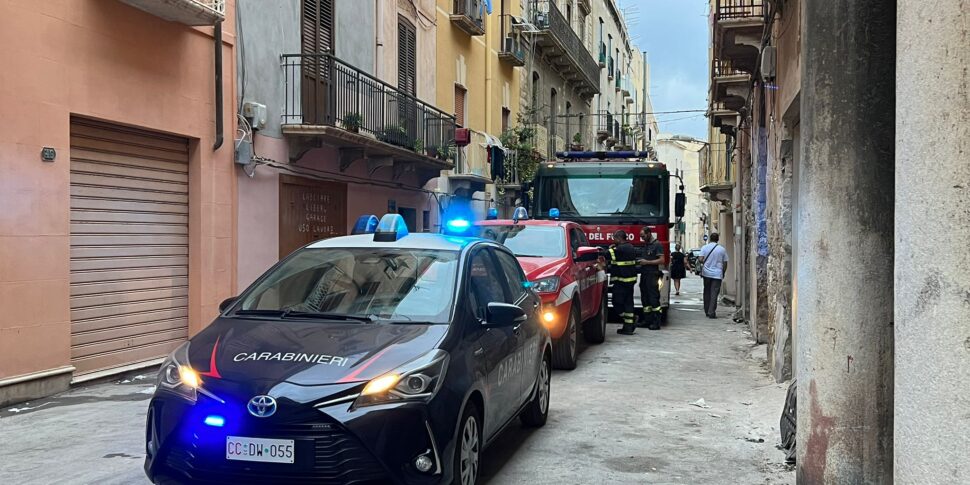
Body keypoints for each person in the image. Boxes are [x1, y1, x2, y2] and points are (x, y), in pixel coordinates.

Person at [607, 230, 639, 335]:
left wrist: (610, 249)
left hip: (621, 280)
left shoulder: (619, 249)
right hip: (630, 280)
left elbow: (608, 255)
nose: (613, 240)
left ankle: (631, 319)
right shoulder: (631, 247)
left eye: (614, 238)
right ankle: (628, 327)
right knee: (628, 303)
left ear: (619, 238)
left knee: (617, 302)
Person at [637, 228, 664, 330]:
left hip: (653, 275)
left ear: (649, 234)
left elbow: (662, 260)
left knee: (653, 299)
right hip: (644, 274)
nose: (642, 238)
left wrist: (647, 262)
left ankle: (656, 322)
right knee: (645, 298)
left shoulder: (657, 245)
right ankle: (647, 320)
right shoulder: (646, 244)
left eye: (643, 236)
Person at [698, 233, 729, 318]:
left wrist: (704, 262)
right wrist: (723, 272)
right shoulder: (722, 249)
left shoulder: (704, 248)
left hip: (706, 274)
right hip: (717, 274)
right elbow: (725, 263)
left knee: (706, 292)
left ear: (710, 239)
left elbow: (700, 259)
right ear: (718, 239)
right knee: (714, 293)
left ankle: (707, 310)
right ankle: (711, 312)